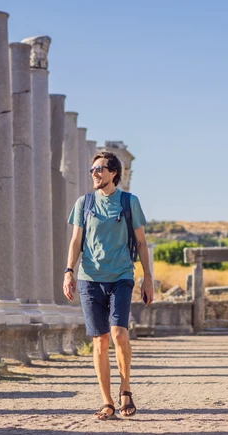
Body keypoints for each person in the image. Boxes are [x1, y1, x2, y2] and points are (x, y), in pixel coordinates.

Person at [63, 150, 152, 420]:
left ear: (114, 173)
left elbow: (141, 242)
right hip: (90, 278)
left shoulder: (129, 202)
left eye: (100, 169)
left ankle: (126, 389)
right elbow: (76, 241)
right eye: (92, 169)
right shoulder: (84, 203)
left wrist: (147, 278)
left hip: (121, 276)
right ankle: (107, 401)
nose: (94, 173)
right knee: (100, 341)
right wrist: (69, 271)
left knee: (119, 334)